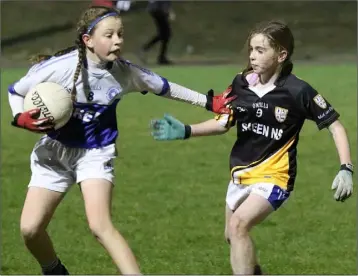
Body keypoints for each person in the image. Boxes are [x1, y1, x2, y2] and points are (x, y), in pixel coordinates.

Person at [7, 5, 236, 275]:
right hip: (55, 153)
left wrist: (210, 102)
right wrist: (20, 117)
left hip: (96, 152)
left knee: (100, 226)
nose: (117, 40)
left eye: (120, 34)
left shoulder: (125, 72)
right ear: (88, 41)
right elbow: (16, 90)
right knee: (30, 230)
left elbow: (164, 86)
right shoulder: (60, 67)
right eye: (109, 35)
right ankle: (54, 270)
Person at [150, 20, 354, 275]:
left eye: (260, 50)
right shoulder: (241, 83)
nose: (252, 56)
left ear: (281, 55)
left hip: (275, 177)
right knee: (231, 236)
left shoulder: (297, 91)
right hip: (241, 173)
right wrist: (187, 130)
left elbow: (335, 126)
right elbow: (225, 121)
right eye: (251, 49)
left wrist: (346, 167)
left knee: (238, 227)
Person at [139, 1, 174, 65]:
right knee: (166, 33)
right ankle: (160, 57)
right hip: (159, 9)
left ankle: (146, 49)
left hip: (154, 9)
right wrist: (168, 12)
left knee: (163, 34)